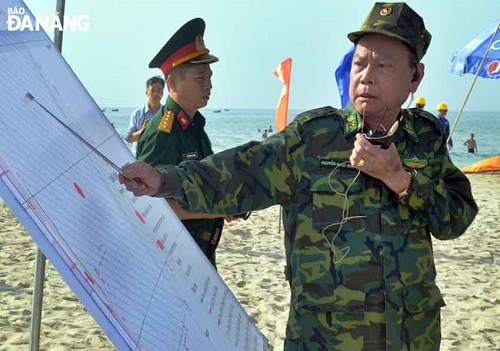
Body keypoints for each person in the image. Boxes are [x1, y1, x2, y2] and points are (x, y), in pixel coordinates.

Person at [120, 3, 478, 350]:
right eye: (359, 63)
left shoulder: (426, 138)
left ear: (415, 75)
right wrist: (165, 180)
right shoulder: (314, 138)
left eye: (382, 65)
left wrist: (401, 180)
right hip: (324, 339)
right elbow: (240, 171)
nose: (366, 76)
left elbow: (456, 219)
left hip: (412, 338)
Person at [135, 18, 228, 267]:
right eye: (200, 78)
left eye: (209, 77)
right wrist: (220, 208)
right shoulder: (162, 132)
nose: (209, 85)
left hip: (198, 252)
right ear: (173, 83)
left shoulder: (195, 126)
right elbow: (154, 206)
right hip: (175, 258)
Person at [125, 76, 165, 155]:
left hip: (161, 158)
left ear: (162, 93)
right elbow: (129, 138)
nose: (156, 94)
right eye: (152, 90)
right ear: (147, 92)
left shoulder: (167, 113)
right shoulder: (137, 113)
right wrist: (144, 130)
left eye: (159, 90)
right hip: (140, 158)